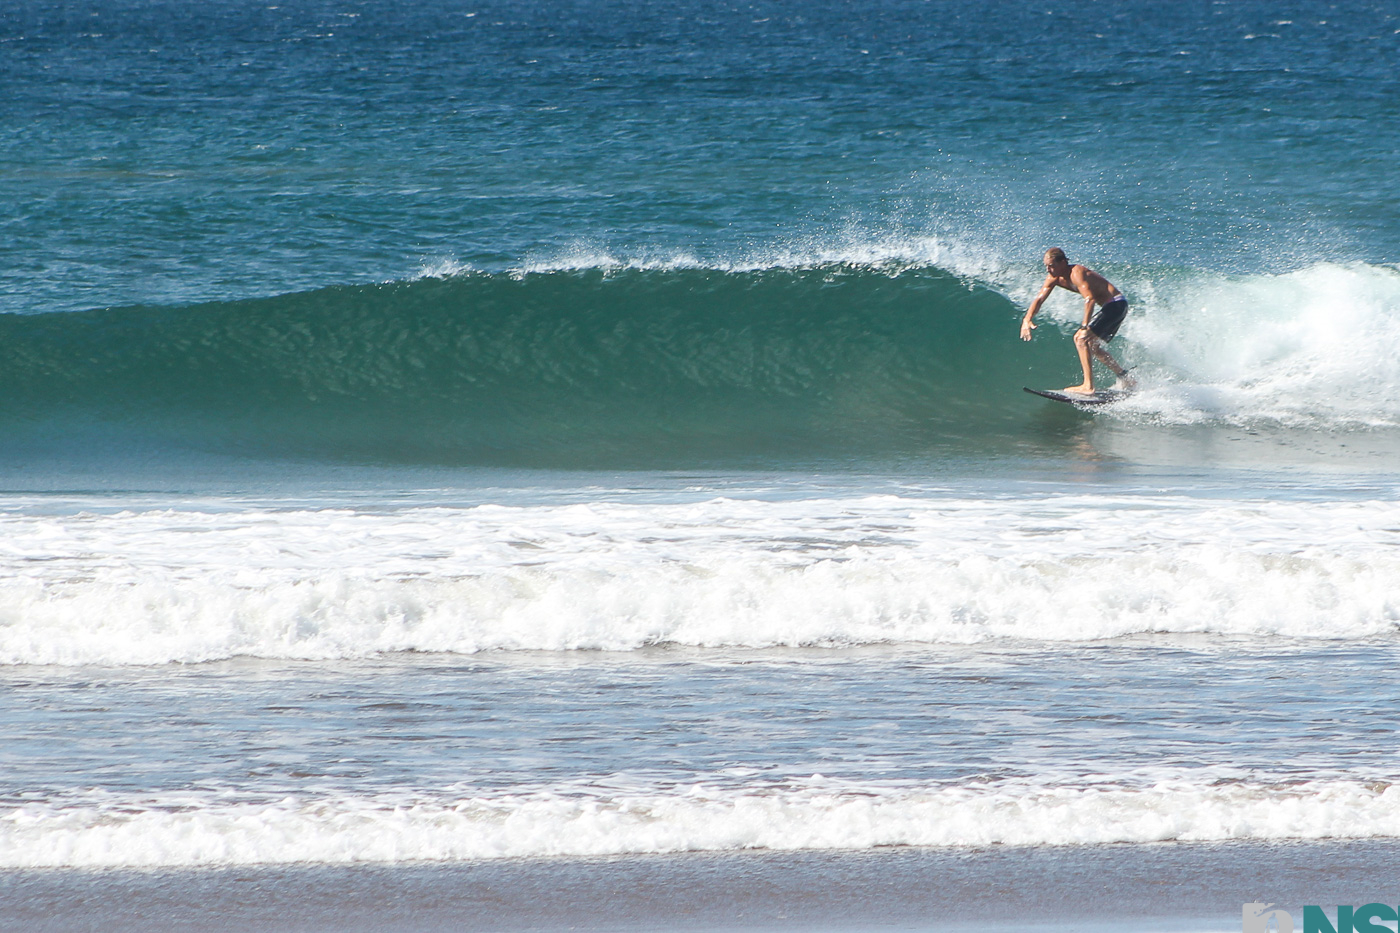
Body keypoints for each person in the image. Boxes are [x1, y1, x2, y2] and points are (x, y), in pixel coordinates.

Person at [1020, 247, 1135, 395]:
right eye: (1046, 266)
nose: (1049, 269)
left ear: (1063, 262)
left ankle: (1088, 386)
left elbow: (1090, 299)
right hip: (1113, 306)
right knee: (1092, 347)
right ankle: (1125, 377)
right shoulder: (1053, 278)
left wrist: (1084, 326)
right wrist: (1027, 319)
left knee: (1080, 339)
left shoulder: (1077, 273)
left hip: (1115, 305)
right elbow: (1039, 299)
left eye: (1052, 266)